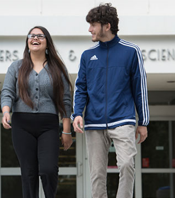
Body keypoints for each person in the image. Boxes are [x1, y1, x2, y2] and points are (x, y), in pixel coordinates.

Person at [72, 3, 149, 198]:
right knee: (97, 173)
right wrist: (77, 114)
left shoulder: (131, 51)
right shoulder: (88, 56)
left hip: (123, 119)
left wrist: (144, 122)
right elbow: (81, 88)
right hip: (94, 122)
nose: (89, 29)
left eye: (93, 24)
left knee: (126, 164)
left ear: (107, 25)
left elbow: (140, 89)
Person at [1, 26, 73, 198]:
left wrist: (66, 130)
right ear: (27, 41)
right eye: (32, 36)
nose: (35, 38)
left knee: (48, 169)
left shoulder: (58, 68)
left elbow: (65, 100)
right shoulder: (16, 67)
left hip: (48, 125)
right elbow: (7, 91)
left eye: (40, 36)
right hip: (22, 124)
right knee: (29, 172)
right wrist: (6, 111)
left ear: (47, 42)